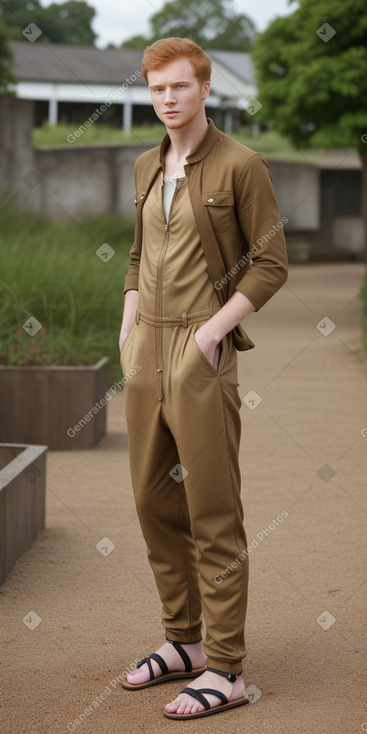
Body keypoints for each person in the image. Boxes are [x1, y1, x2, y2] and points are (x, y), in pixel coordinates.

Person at [118, 37, 288, 720]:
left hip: (199, 348)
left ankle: (226, 667)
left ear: (205, 89)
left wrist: (213, 333)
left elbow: (269, 262)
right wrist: (128, 322)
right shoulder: (144, 165)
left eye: (180, 87)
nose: (168, 99)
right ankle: (182, 642)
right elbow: (136, 253)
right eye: (157, 88)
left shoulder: (242, 165)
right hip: (144, 353)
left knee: (211, 512)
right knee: (153, 503)